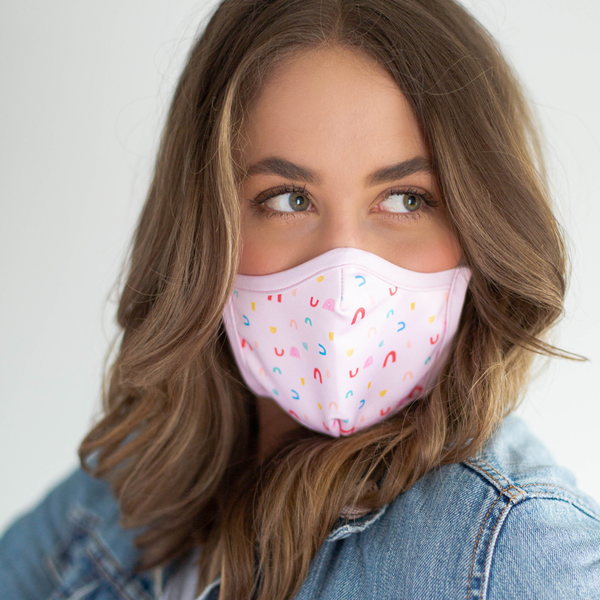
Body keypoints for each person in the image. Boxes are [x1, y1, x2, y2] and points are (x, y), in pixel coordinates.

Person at [1, 0, 599, 598]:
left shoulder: (514, 548)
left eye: (406, 199)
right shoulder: (136, 481)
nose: (342, 275)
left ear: (481, 227)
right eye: (288, 199)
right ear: (206, 229)